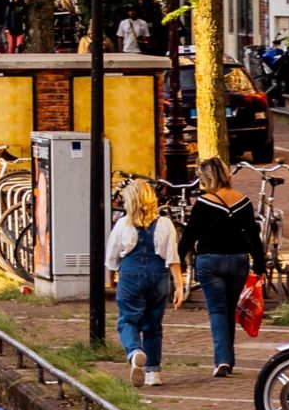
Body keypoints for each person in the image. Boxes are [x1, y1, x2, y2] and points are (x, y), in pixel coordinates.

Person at [183, 157, 261, 377]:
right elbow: (253, 235)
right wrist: (260, 264)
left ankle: (223, 360)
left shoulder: (203, 203)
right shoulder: (243, 201)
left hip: (210, 262)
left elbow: (189, 235)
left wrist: (177, 260)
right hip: (238, 261)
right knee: (229, 309)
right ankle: (228, 359)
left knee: (217, 310)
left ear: (207, 178)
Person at [107, 178, 186, 386]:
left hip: (130, 275)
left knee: (127, 320)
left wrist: (111, 278)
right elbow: (173, 257)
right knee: (153, 323)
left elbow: (112, 256)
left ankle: (134, 352)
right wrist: (179, 285)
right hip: (158, 275)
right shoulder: (165, 224)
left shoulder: (123, 224)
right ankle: (153, 372)